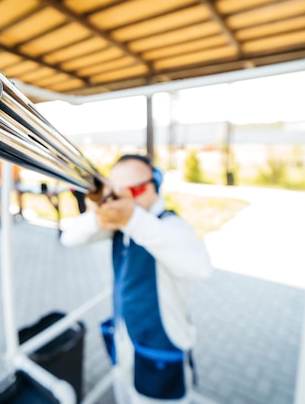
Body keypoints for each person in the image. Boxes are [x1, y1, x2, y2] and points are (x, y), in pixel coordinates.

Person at [60, 154, 212, 404]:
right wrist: (101, 215)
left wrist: (132, 217)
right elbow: (70, 238)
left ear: (153, 186)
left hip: (160, 350)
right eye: (115, 192)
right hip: (124, 344)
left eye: (132, 190)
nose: (123, 198)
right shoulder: (120, 226)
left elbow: (201, 267)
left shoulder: (171, 226)